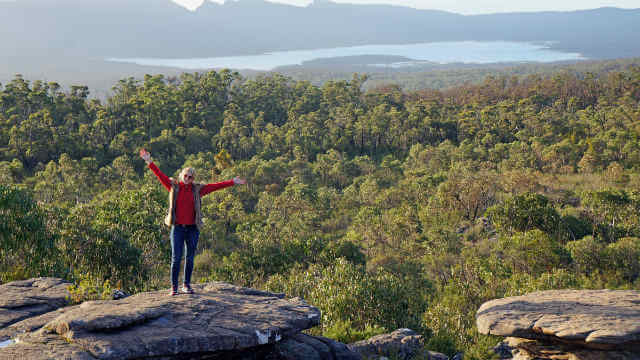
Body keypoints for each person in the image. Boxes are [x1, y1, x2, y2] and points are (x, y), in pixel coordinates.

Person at [140, 149, 246, 296]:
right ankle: (174, 288)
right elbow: (160, 175)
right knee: (176, 258)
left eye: (190, 177)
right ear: (181, 176)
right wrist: (149, 161)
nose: (188, 178)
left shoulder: (197, 189)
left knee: (190, 258)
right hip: (177, 228)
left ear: (193, 178)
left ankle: (186, 285)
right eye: (186, 176)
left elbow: (215, 186)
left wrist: (232, 182)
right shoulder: (174, 187)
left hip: (192, 229)